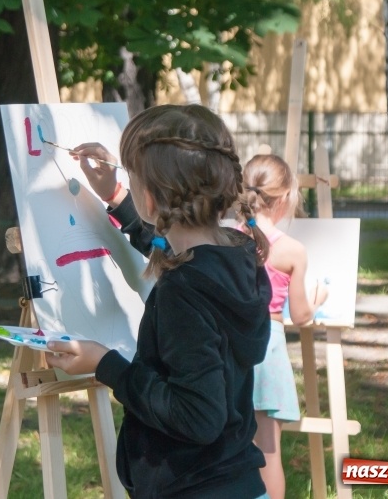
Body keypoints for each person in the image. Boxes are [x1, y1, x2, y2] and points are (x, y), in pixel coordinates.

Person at [45, 104, 273, 499]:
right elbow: (172, 250)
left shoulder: (183, 291)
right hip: (238, 484)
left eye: (130, 178)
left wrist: (107, 365)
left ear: (152, 199)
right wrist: (117, 197)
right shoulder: (239, 256)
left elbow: (198, 416)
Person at [240, 154, 328, 499]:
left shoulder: (226, 238)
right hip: (268, 346)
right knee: (268, 450)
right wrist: (318, 300)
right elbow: (302, 315)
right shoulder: (291, 249)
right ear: (287, 196)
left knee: (233, 446)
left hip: (228, 347)